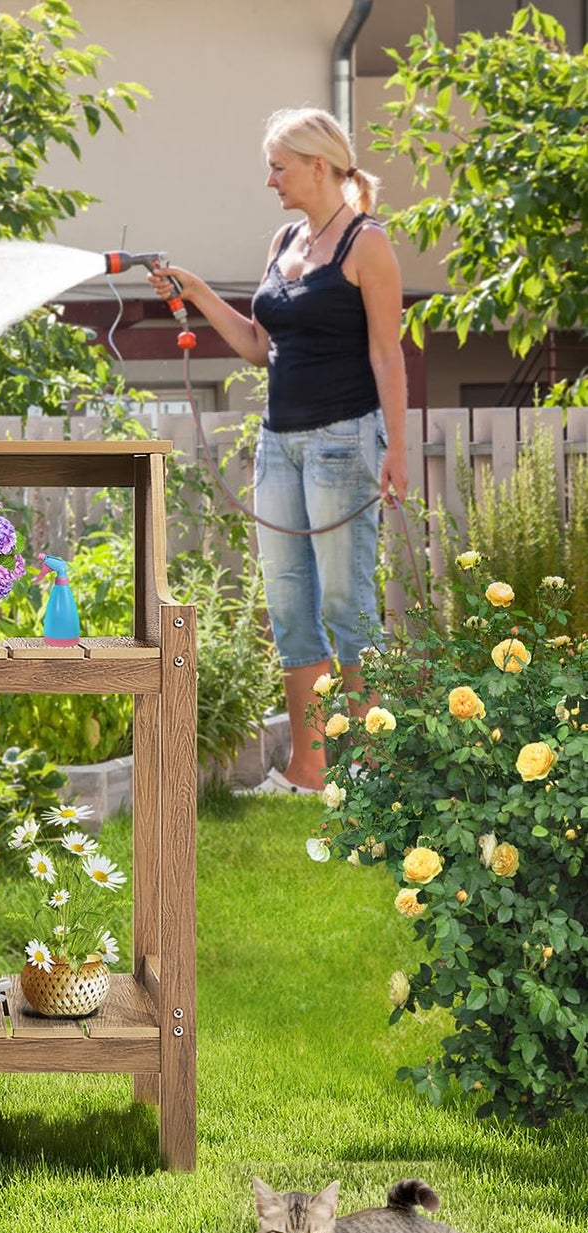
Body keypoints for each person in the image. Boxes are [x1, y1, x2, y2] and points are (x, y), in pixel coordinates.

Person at [150, 106, 408, 794]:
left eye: (277, 166)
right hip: (278, 445)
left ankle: (373, 773)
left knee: (348, 606)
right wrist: (197, 289)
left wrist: (397, 449)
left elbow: (387, 354)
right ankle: (305, 770)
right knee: (290, 606)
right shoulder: (284, 240)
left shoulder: (365, 244)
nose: (270, 180)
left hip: (342, 441)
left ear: (316, 166)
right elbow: (257, 347)